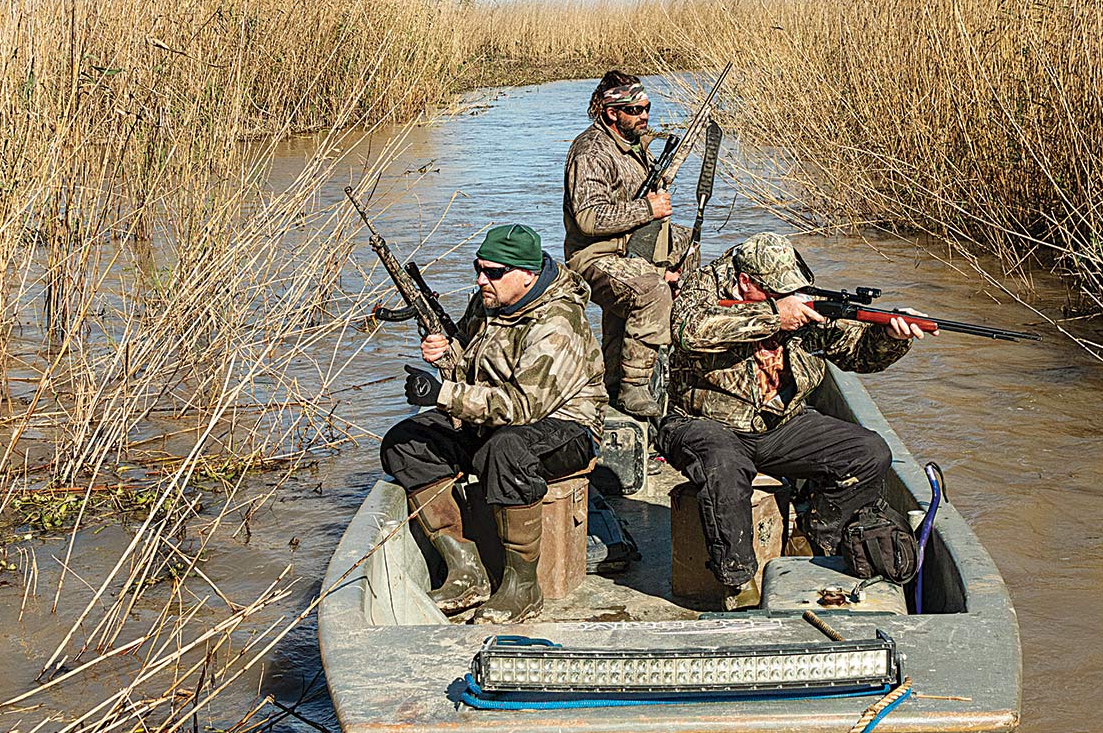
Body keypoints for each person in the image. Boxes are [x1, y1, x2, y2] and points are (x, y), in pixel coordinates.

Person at [657, 232, 933, 609]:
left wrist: (890, 335)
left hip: (779, 424)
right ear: (746, 283)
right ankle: (738, 583)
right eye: (778, 293)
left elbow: (857, 355)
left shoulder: (801, 301)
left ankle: (816, 538)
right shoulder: (703, 286)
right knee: (724, 466)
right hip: (702, 421)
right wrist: (773, 317)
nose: (793, 299)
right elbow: (689, 331)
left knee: (869, 452)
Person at [379, 223, 606, 624]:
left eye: (494, 272)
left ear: (527, 275)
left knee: (504, 451)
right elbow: (470, 372)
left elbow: (522, 407)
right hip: (497, 418)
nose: (482, 280)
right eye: (478, 268)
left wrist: (441, 395)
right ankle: (465, 567)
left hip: (567, 426)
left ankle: (523, 587)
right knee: (405, 442)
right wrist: (446, 356)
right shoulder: (487, 303)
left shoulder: (558, 324)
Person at [563, 70, 690, 419]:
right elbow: (588, 218)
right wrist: (647, 208)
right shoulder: (590, 151)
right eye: (634, 110)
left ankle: (675, 361)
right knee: (650, 291)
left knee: (687, 246)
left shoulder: (636, 144)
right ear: (611, 112)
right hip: (595, 255)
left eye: (647, 107)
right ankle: (633, 387)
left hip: (633, 244)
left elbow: (649, 183)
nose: (644, 116)